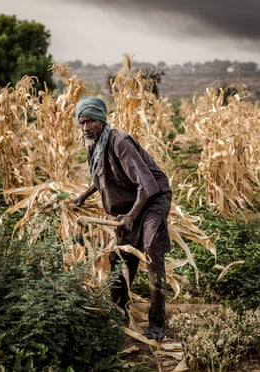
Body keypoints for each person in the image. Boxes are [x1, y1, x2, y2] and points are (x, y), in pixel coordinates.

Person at [70, 96, 172, 340]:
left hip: (152, 198)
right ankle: (119, 314)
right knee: (120, 257)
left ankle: (157, 322)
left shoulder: (119, 142)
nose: (86, 128)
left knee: (150, 251)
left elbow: (146, 186)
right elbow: (100, 176)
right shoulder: (94, 144)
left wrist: (130, 217)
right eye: (82, 123)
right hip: (130, 203)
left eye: (91, 122)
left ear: (102, 120)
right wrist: (82, 197)